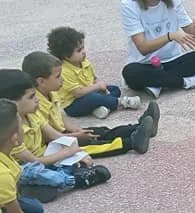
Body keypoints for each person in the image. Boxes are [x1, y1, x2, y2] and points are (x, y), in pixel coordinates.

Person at [0, 68, 113, 199]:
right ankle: (74, 181)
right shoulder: (10, 132)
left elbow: (57, 137)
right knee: (33, 172)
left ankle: (50, 183)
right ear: (11, 104)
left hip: (46, 157)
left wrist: (77, 152)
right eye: (31, 97)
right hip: (26, 167)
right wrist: (68, 153)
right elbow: (35, 161)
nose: (37, 100)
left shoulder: (33, 114)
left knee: (65, 161)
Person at [21, 53, 156, 158]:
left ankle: (139, 127)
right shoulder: (34, 104)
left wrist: (76, 130)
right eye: (58, 76)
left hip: (64, 134)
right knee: (93, 146)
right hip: (54, 144)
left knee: (100, 131)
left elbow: (60, 118)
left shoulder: (51, 93)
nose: (62, 79)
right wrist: (74, 136)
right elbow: (47, 136)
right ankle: (132, 143)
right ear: (41, 81)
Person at [47, 26, 141, 119]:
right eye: (79, 50)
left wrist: (100, 85)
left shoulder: (84, 62)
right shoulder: (65, 71)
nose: (83, 52)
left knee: (115, 89)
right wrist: (97, 86)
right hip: (74, 104)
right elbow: (78, 93)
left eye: (83, 48)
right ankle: (122, 102)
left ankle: (103, 108)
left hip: (90, 92)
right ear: (66, 56)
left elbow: (94, 78)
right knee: (92, 98)